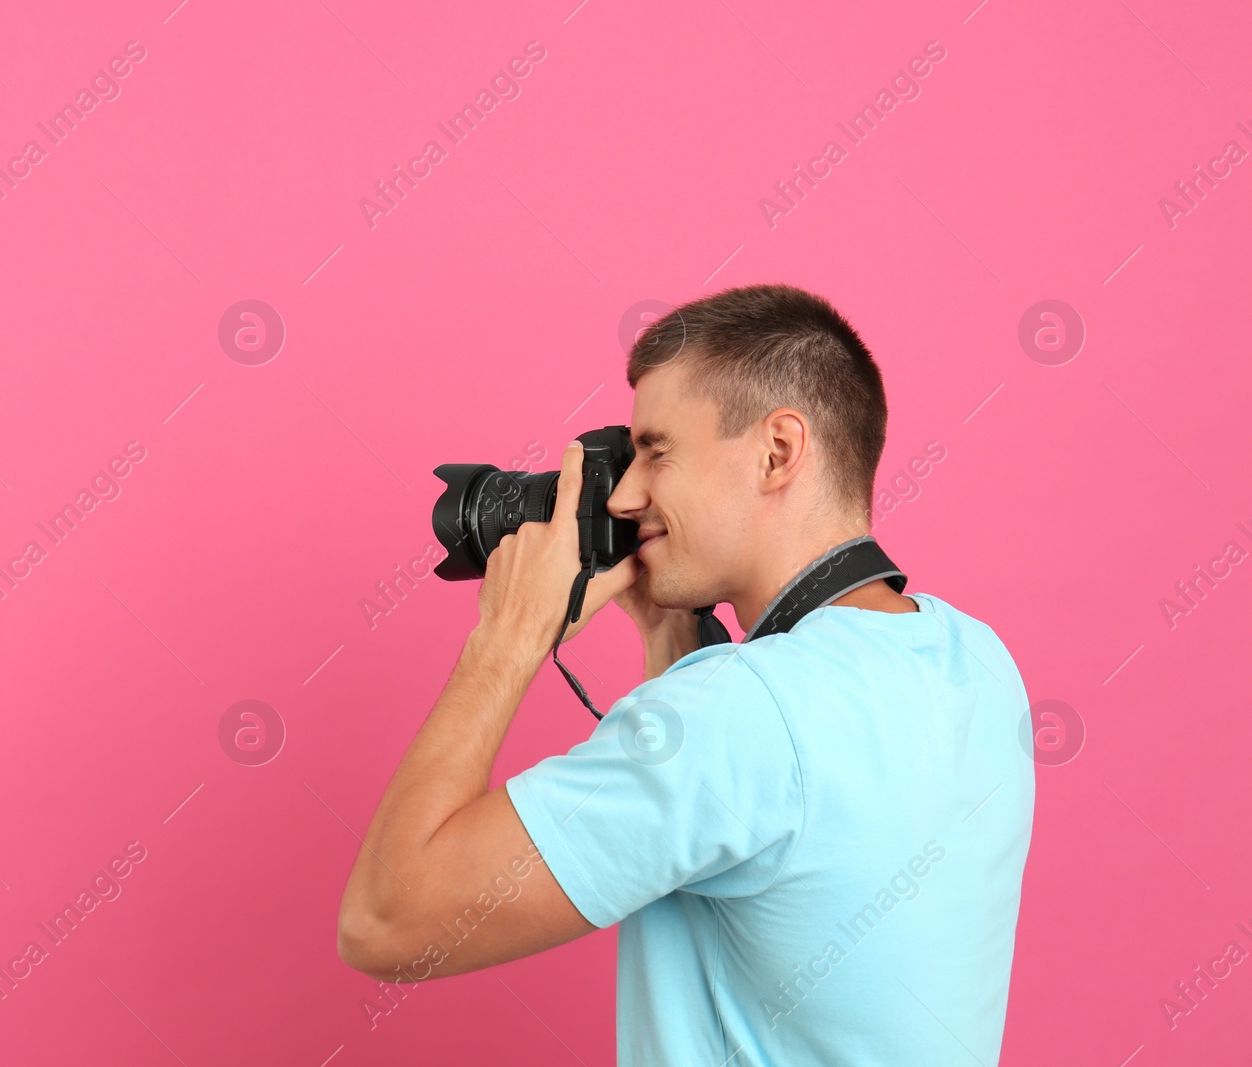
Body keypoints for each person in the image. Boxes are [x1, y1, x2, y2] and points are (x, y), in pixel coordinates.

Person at [337, 283, 1034, 1066]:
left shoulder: (741, 712)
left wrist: (506, 638)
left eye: (657, 451)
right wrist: (671, 629)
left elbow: (385, 920)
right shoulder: (975, 658)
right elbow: (749, 840)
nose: (630, 493)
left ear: (777, 451)